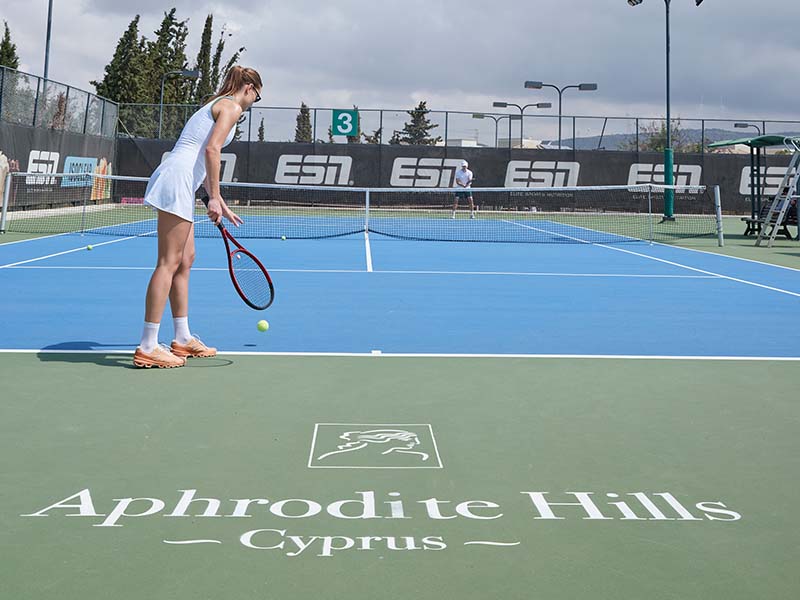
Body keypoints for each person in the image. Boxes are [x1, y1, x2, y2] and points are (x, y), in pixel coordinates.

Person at [133, 66, 262, 368]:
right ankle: (148, 345)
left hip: (184, 182)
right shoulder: (230, 106)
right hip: (177, 179)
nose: (254, 101)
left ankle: (182, 338)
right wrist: (214, 197)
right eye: (257, 95)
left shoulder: (217, 105)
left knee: (185, 259)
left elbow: (202, 157)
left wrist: (214, 199)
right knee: (168, 262)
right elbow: (212, 150)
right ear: (248, 88)